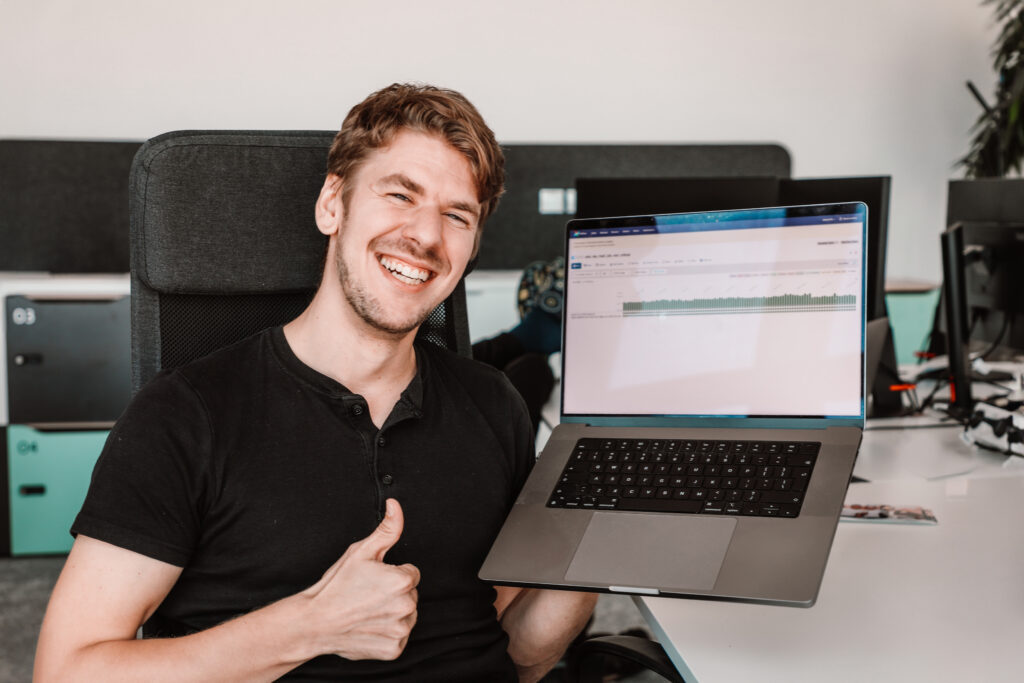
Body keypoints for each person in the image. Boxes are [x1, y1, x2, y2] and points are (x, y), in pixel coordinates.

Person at [34, 83, 597, 682]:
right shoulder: (186, 415)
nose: (427, 237)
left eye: (457, 216)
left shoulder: (492, 403)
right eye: (400, 194)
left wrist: (595, 546)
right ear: (333, 203)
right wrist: (310, 626)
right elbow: (66, 671)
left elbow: (514, 652)